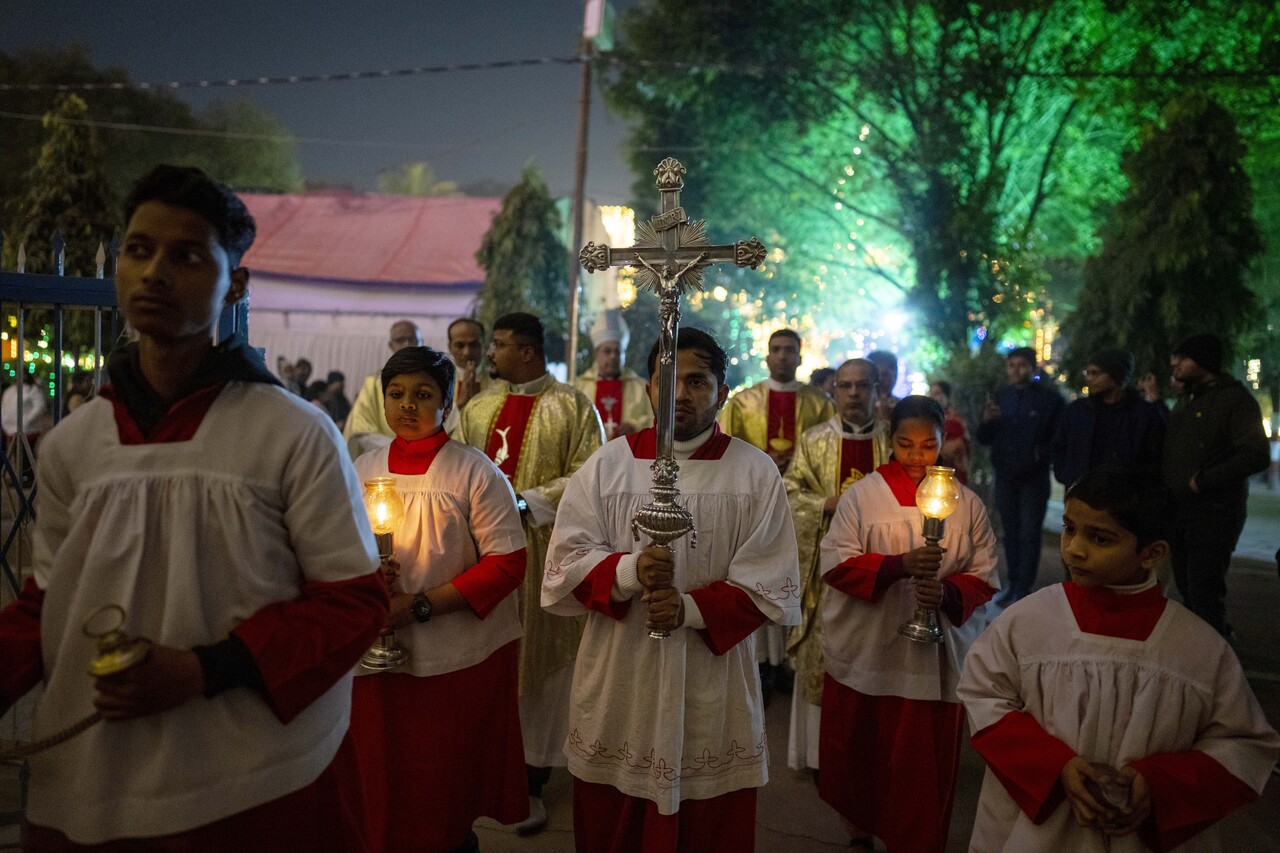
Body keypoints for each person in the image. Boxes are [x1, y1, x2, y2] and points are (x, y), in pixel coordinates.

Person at [0, 165, 388, 850]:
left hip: (255, 779)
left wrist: (204, 668)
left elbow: (353, 601)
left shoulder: (293, 431)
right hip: (96, 776)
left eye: (186, 255)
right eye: (138, 249)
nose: (154, 272)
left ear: (234, 283)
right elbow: (48, 602)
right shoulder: (71, 445)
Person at [544, 327, 801, 853]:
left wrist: (689, 608)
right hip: (621, 676)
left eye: (698, 381)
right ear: (648, 388)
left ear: (723, 392)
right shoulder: (608, 466)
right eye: (669, 380)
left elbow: (771, 582)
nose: (681, 394)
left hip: (710, 680)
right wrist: (628, 573)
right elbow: (565, 561)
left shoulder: (753, 474)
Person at [958, 465, 1280, 852]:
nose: (1074, 549)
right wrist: (1053, 766)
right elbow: (982, 693)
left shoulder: (1197, 648)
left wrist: (1159, 784)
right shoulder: (1028, 623)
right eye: (1070, 529)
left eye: (1100, 538)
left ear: (1152, 553)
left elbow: (1243, 743)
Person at [350, 346, 528, 853]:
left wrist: (419, 605)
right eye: (396, 394)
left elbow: (507, 564)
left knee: (439, 787)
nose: (407, 405)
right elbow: (336, 546)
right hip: (377, 653)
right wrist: (366, 575)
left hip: (453, 658)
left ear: (447, 403)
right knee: (380, 777)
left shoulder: (473, 472)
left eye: (423, 394)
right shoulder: (363, 467)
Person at [819, 395, 999, 852]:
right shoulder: (863, 496)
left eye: (928, 445)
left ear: (945, 441)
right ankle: (860, 832)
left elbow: (984, 574)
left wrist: (947, 593)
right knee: (864, 755)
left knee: (921, 768)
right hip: (871, 649)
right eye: (905, 445)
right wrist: (899, 565)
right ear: (889, 440)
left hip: (930, 664)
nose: (917, 457)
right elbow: (836, 563)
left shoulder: (967, 504)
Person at [456, 311, 604, 834]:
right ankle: (483, 774)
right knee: (486, 657)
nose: (487, 353)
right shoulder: (478, 406)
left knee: (539, 665)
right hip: (483, 552)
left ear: (527, 352)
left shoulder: (572, 406)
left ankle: (532, 781)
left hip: (546, 550)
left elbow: (590, 475)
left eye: (497, 345)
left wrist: (525, 502)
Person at [784, 358, 889, 773]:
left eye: (862, 386)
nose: (852, 394)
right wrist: (827, 504)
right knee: (822, 656)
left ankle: (870, 754)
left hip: (881, 569)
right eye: (844, 386)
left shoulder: (894, 442)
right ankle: (816, 755)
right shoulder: (814, 441)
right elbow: (791, 492)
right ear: (834, 390)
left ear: (876, 389)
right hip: (827, 575)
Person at [719, 328, 834, 697]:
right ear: (767, 357)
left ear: (801, 357)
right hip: (755, 504)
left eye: (790, 350)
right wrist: (766, 464)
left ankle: (790, 660)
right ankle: (763, 662)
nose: (783, 356)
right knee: (759, 577)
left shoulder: (820, 403)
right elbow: (727, 451)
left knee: (797, 579)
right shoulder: (743, 402)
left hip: (804, 509)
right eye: (776, 350)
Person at [1161, 333, 1269, 638]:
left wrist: (1204, 481)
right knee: (1187, 588)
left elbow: (1255, 454)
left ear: (1204, 361)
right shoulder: (1187, 399)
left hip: (1214, 513)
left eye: (1183, 357)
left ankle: (1213, 659)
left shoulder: (1234, 400)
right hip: (1180, 510)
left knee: (1205, 591)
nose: (1174, 363)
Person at [976, 347, 1064, 604]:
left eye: (1021, 365)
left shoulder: (1050, 400)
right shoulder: (1000, 398)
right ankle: (1013, 583)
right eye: (1012, 365)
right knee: (1010, 532)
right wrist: (987, 420)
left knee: (1029, 532)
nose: (1016, 370)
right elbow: (984, 438)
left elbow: (1058, 438)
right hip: (1005, 475)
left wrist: (1039, 456)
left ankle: (1024, 587)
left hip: (1033, 478)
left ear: (1032, 367)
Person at [1051, 348, 1165, 489]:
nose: (1089, 378)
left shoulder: (1143, 413)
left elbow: (1153, 456)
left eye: (1095, 373)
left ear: (1115, 376)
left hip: (1125, 498)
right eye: (1088, 373)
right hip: (1081, 495)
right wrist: (1066, 475)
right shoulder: (1078, 410)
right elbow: (1060, 445)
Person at [344, 320, 424, 457]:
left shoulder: (435, 383)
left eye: (412, 339)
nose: (407, 344)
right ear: (391, 345)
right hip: (386, 462)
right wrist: (403, 449)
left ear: (421, 343)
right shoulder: (374, 383)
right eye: (400, 340)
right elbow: (361, 431)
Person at [573, 308, 652, 441]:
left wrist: (635, 427)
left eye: (618, 351)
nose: (613, 356)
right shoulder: (579, 387)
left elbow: (655, 420)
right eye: (607, 351)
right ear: (596, 353)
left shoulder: (641, 387)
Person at [929, 379, 973, 484]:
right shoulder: (925, 419)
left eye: (937, 393)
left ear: (946, 396)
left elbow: (961, 445)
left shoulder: (956, 419)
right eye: (931, 393)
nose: (933, 397)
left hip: (952, 474)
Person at [866, 350, 901, 422]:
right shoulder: (860, 407)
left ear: (895, 375)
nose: (880, 379)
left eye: (885, 374)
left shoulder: (903, 407)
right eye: (876, 375)